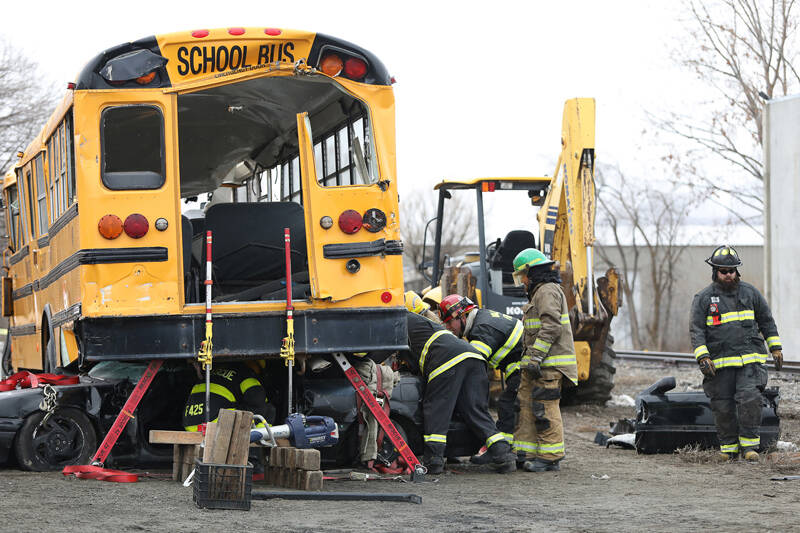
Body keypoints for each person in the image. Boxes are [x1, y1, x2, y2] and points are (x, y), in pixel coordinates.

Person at [690, 245, 783, 461]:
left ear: (737, 271)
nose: (728, 275)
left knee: (750, 400)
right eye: (724, 271)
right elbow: (696, 331)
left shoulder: (751, 293)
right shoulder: (703, 299)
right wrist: (703, 357)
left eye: (732, 271)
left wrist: (775, 348)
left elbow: (766, 321)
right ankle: (729, 448)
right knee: (722, 405)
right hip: (720, 365)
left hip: (750, 363)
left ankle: (750, 448)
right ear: (715, 272)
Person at [403, 311, 517, 474]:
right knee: (476, 411)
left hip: (446, 360)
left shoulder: (398, 321)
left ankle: (434, 461)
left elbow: (384, 353)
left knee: (436, 409)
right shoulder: (422, 324)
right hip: (474, 359)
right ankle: (503, 454)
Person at [511, 248, 578, 472]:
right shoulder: (540, 292)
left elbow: (551, 326)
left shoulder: (547, 291)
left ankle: (550, 456)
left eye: (523, 276)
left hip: (548, 365)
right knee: (526, 406)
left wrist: (536, 357)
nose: (522, 282)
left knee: (544, 407)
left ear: (532, 273)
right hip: (537, 364)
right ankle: (525, 452)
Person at [439, 294, 523, 464]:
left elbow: (473, 368)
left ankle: (502, 450)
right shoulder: (480, 320)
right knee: (510, 405)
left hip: (524, 367)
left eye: (449, 322)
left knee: (507, 405)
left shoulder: (481, 330)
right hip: (520, 366)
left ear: (462, 316)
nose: (448, 328)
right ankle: (508, 449)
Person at [183, 360, 275, 431]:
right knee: (268, 409)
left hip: (190, 426)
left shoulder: (214, 372)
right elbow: (257, 399)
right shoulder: (246, 374)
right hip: (217, 426)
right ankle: (259, 438)